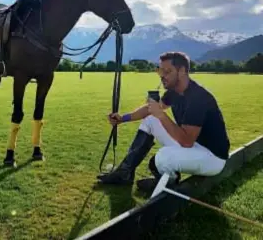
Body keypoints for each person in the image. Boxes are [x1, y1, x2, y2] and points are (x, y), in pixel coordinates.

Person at [97, 51, 230, 192]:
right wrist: (122, 118)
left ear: (182, 71)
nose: (162, 76)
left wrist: (161, 114)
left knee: (162, 157)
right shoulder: (174, 92)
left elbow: (186, 141)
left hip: (212, 158)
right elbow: (150, 110)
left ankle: (168, 182)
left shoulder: (198, 98)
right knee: (150, 120)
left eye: (167, 71)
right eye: (160, 70)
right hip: (195, 146)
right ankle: (125, 173)